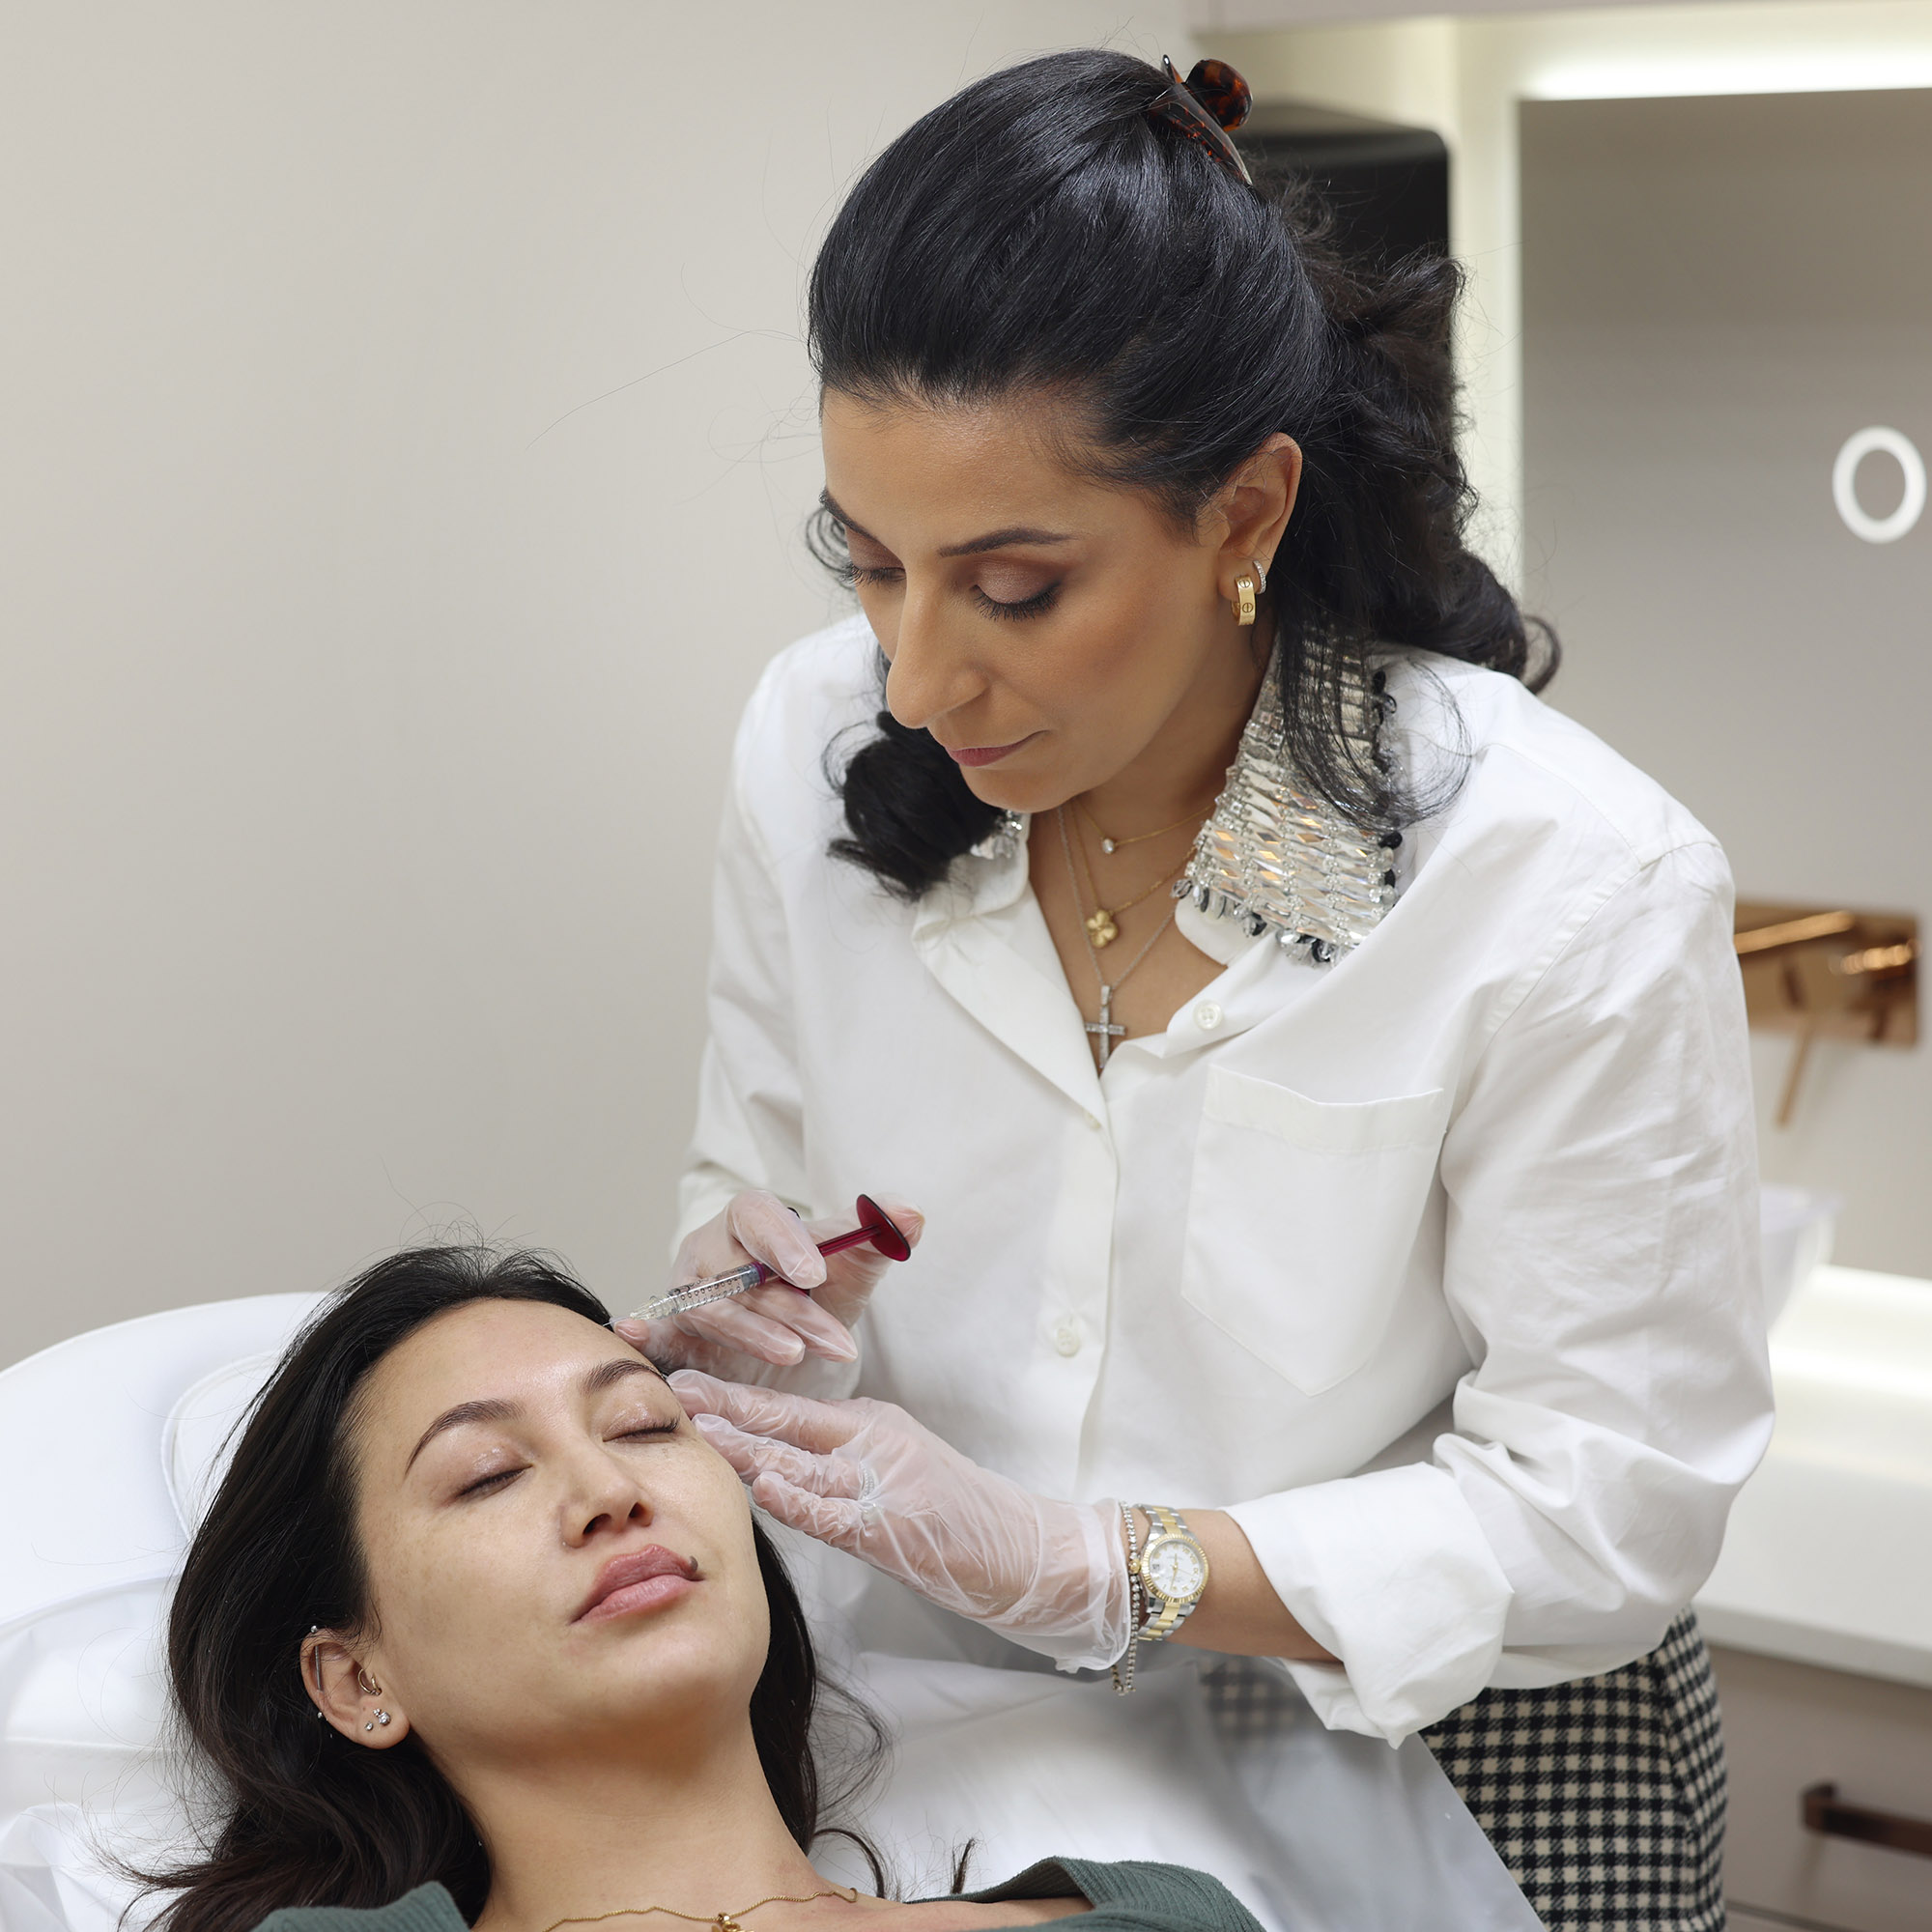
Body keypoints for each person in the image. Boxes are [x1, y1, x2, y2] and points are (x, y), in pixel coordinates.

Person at [624, 46, 1774, 1932]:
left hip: (1417, 1735)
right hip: (940, 1717)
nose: (913, 678)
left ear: (1242, 519)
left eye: (1012, 588)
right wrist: (749, 1298)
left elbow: (1601, 1513)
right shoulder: (808, 743)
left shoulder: (1557, 881)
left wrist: (1103, 1565)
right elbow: (741, 1176)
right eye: (869, 564)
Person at [139, 1246, 1265, 1932]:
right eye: (486, 1474)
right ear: (355, 1679)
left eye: (642, 1424)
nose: (609, 1490)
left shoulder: (1148, 1916)